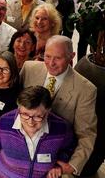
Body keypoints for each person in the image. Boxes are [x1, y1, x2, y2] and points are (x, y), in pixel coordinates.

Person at [20, 36, 98, 176]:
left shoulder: (86, 90)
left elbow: (86, 135)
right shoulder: (29, 68)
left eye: (58, 58)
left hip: (55, 160)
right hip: (21, 152)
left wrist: (72, 166)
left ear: (71, 56)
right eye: (47, 56)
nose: (51, 63)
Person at [0, 86, 75, 177]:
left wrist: (58, 165)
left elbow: (68, 149)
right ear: (19, 109)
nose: (30, 122)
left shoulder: (61, 128)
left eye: (37, 116)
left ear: (48, 111)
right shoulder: (4, 122)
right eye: (25, 114)